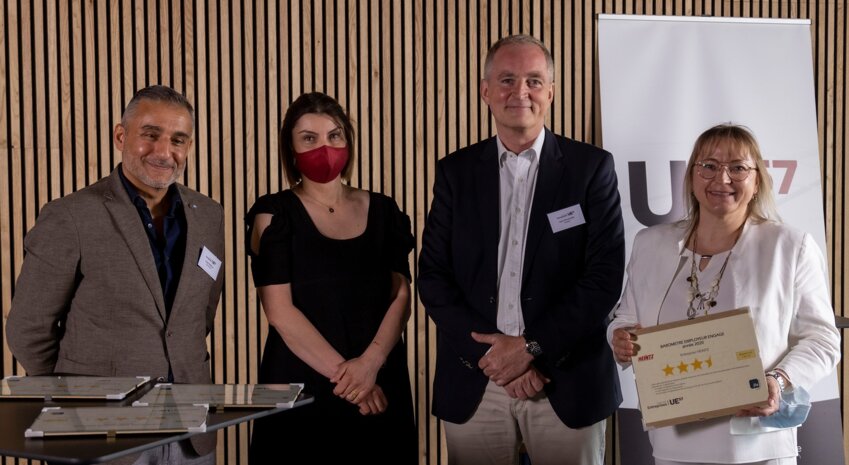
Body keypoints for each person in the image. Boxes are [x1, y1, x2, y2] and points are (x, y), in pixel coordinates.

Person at [418, 34, 625, 465]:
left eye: (533, 80)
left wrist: (529, 349)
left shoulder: (591, 169)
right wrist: (494, 357)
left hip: (566, 380)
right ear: (485, 90)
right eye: (507, 80)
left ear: (550, 91)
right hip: (477, 380)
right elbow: (434, 278)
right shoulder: (455, 172)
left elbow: (603, 280)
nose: (520, 92)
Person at [6, 85, 225, 464]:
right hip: (98, 430)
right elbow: (27, 328)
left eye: (178, 139)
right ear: (120, 136)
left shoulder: (208, 216)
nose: (163, 151)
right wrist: (76, 392)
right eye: (150, 134)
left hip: (191, 427)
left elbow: (198, 316)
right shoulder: (70, 217)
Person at [608, 124, 841, 465]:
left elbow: (823, 340)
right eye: (709, 166)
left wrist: (777, 381)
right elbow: (626, 316)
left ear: (757, 179)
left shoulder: (790, 247)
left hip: (757, 443)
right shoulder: (650, 244)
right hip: (674, 441)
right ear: (691, 177)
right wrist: (620, 337)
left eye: (738, 167)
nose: (722, 178)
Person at [245, 92, 416, 464]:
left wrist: (370, 365)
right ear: (291, 149)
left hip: (380, 376)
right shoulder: (272, 214)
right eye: (309, 138)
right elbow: (280, 312)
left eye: (334, 136)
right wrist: (352, 381)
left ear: (348, 143)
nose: (324, 146)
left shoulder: (385, 211)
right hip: (299, 382)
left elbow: (401, 294)